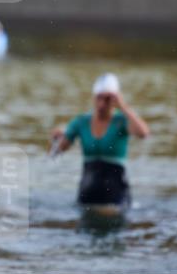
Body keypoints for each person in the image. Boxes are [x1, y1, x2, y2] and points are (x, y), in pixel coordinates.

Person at [50, 73, 149, 212]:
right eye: (99, 98)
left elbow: (143, 133)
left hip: (115, 195)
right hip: (87, 194)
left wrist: (123, 107)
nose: (102, 103)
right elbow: (57, 152)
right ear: (94, 97)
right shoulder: (81, 122)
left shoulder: (121, 121)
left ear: (115, 99)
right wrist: (57, 139)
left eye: (108, 99)